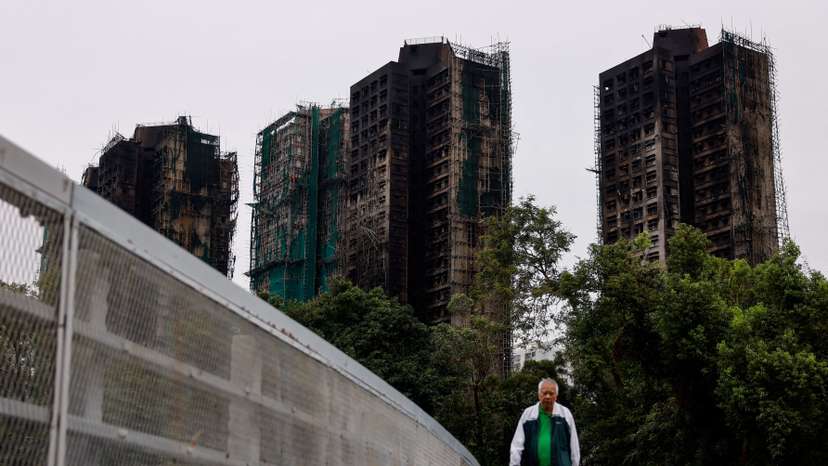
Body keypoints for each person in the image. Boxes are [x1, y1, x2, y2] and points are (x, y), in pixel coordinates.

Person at [509, 378, 580, 466]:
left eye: (551, 393)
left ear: (556, 396)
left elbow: (574, 445)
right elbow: (517, 445)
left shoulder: (565, 414)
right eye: (544, 393)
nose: (547, 396)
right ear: (539, 395)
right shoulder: (528, 414)